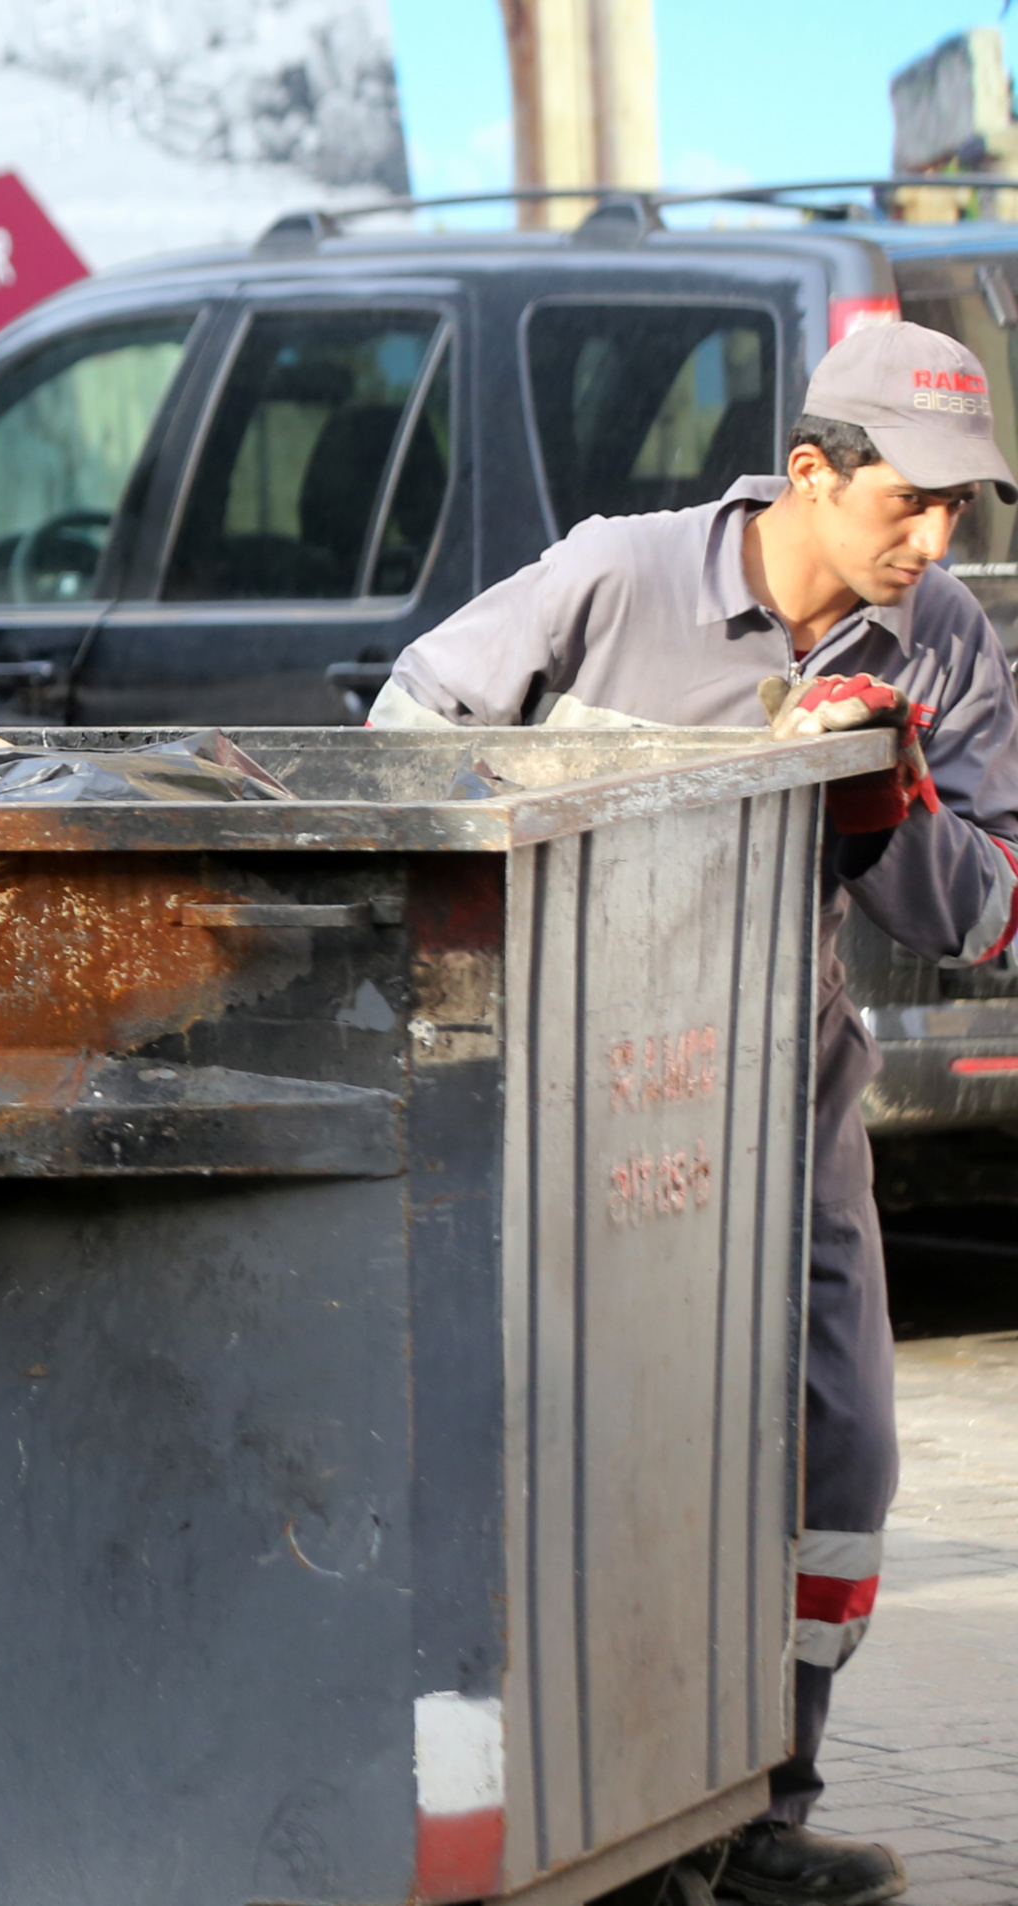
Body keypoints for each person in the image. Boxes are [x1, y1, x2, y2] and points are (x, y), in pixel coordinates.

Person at [373, 321, 1018, 1906]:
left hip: (787, 1092)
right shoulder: (619, 576)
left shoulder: (937, 642)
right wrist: (696, 765)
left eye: (961, 513)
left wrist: (887, 803)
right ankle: (606, 1816)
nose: (935, 545)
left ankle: (761, 1810)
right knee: (603, 1451)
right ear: (812, 472)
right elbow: (408, 738)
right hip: (577, 1096)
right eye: (912, 504)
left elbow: (992, 918)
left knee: (842, 1443)